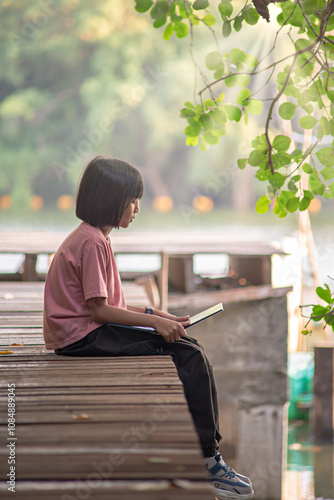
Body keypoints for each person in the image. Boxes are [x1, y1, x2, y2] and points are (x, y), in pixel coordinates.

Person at [43, 155, 254, 500]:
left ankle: (209, 455)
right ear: (111, 201)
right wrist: (154, 322)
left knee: (191, 346)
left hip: (83, 330)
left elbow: (111, 305)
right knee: (188, 357)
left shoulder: (94, 237)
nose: (137, 207)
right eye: (132, 199)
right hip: (80, 338)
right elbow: (99, 312)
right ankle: (208, 460)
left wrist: (160, 315)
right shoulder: (93, 242)